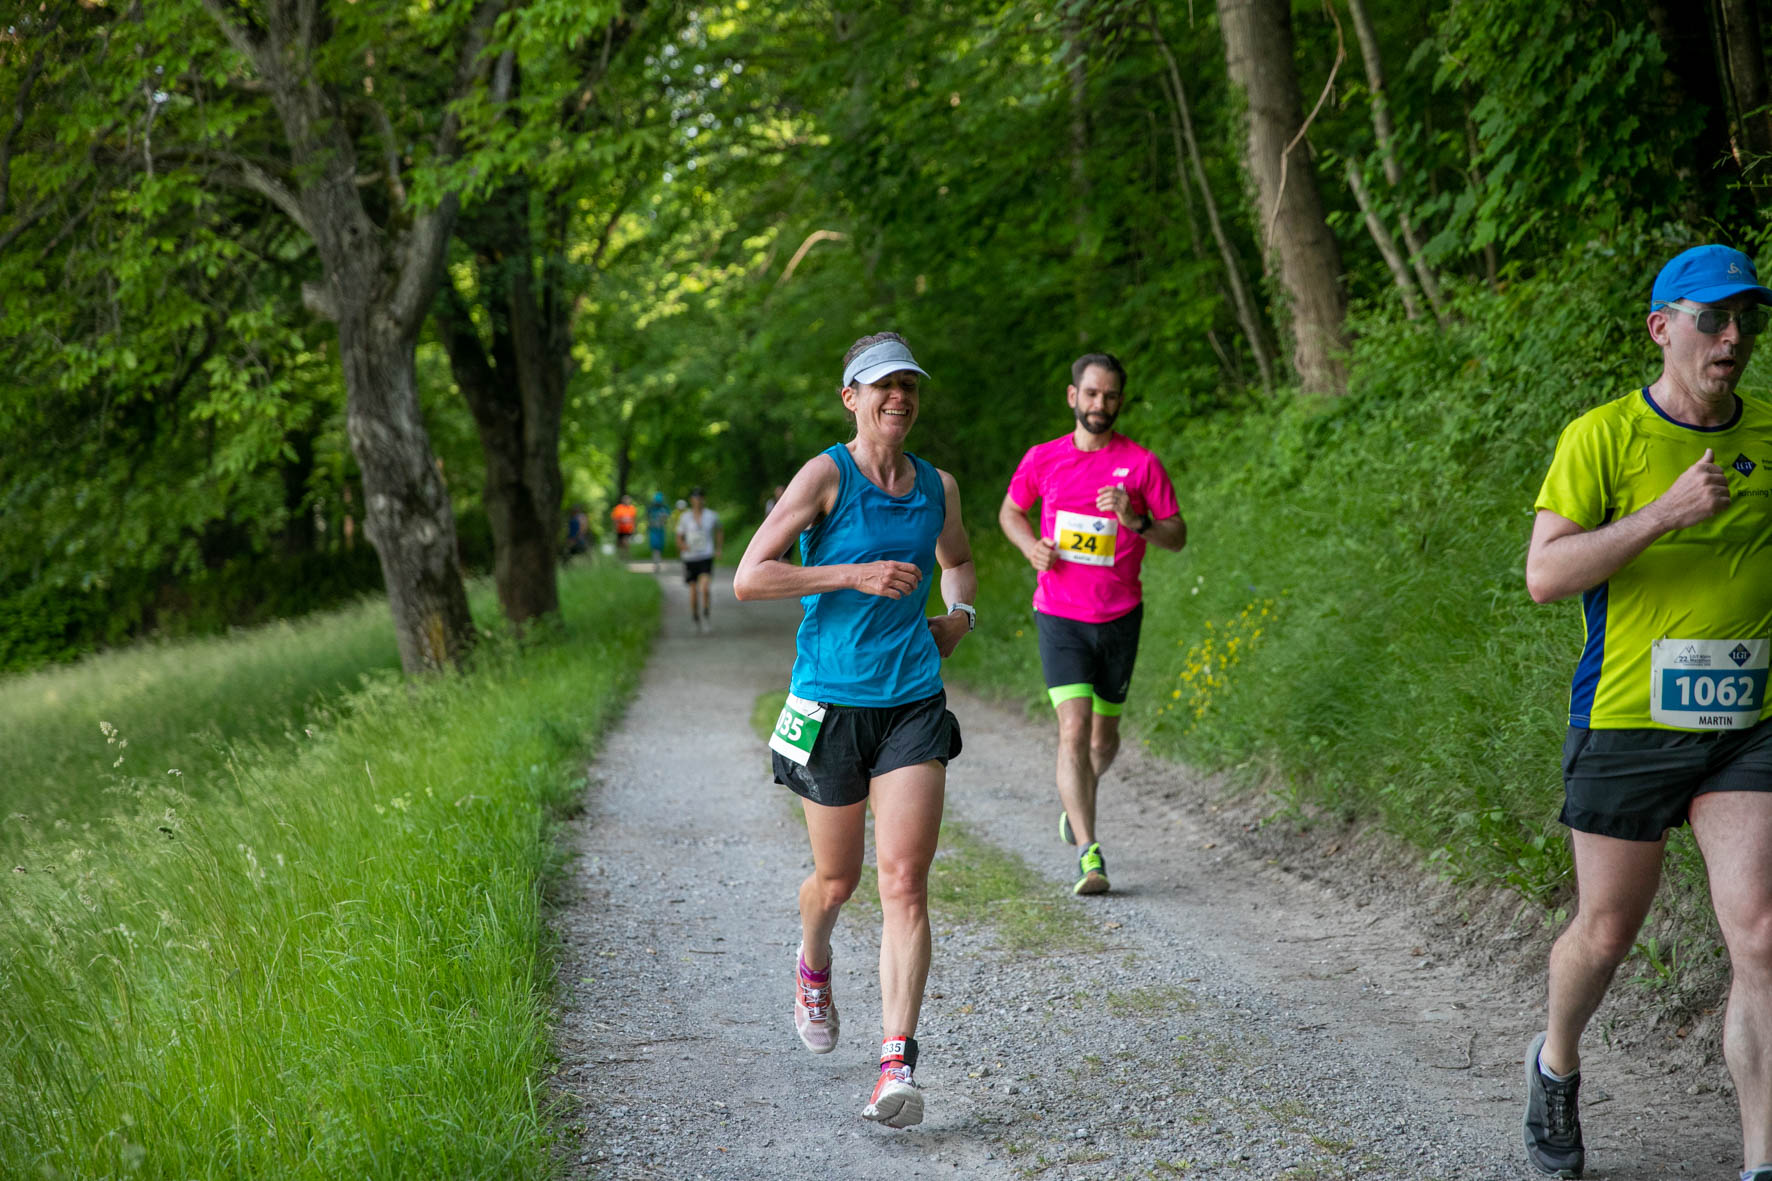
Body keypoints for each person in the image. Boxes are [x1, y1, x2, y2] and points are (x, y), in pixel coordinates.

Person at [1523, 244, 1772, 1181]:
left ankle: (1761, 1162)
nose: (1734, 337)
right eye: (1713, 318)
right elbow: (1546, 576)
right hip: (1629, 718)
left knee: (1761, 931)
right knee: (1607, 930)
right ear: (1662, 326)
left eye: (1747, 317)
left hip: (1749, 725)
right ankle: (1556, 1060)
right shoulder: (1601, 437)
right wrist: (1664, 514)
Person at [733, 331, 975, 1129]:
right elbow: (749, 576)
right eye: (882, 386)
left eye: (909, 384)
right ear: (852, 397)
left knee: (904, 879)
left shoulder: (938, 485)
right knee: (836, 883)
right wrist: (852, 573)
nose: (898, 397)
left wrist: (959, 616)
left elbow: (960, 561)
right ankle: (813, 963)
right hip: (831, 703)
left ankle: (896, 1064)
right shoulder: (825, 476)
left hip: (911, 699)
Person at [999, 352, 1185, 896]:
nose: (1100, 404)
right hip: (1059, 614)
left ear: (1119, 401)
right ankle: (1089, 852)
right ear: (1072, 396)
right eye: (1092, 393)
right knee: (1073, 731)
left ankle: (1076, 794)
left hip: (1120, 615)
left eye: (1110, 396)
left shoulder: (1142, 465)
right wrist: (1030, 545)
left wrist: (1136, 520)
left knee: (1103, 742)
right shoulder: (1044, 458)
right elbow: (1011, 511)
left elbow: (1176, 536)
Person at [676, 487, 723, 633]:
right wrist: (682, 546)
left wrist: (718, 548)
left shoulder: (711, 516)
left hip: (705, 556)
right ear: (691, 500)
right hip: (690, 558)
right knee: (693, 590)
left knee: (704, 587)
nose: (698, 500)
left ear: (704, 499)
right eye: (695, 497)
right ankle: (695, 618)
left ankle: (706, 614)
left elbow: (719, 530)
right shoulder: (684, 517)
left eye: (700, 497)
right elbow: (679, 536)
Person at [646, 491, 671, 573]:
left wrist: (663, 519)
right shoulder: (651, 508)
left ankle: (657, 562)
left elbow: (666, 517)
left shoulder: (664, 508)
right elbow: (648, 518)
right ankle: (656, 563)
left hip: (660, 530)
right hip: (653, 530)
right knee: (655, 547)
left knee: (659, 547)